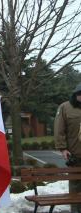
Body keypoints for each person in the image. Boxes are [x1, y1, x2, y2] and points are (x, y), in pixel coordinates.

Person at [54, 83, 81, 213]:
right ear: (76, 94)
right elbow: (59, 129)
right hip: (75, 154)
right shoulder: (65, 107)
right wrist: (62, 148)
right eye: (80, 94)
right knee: (75, 185)